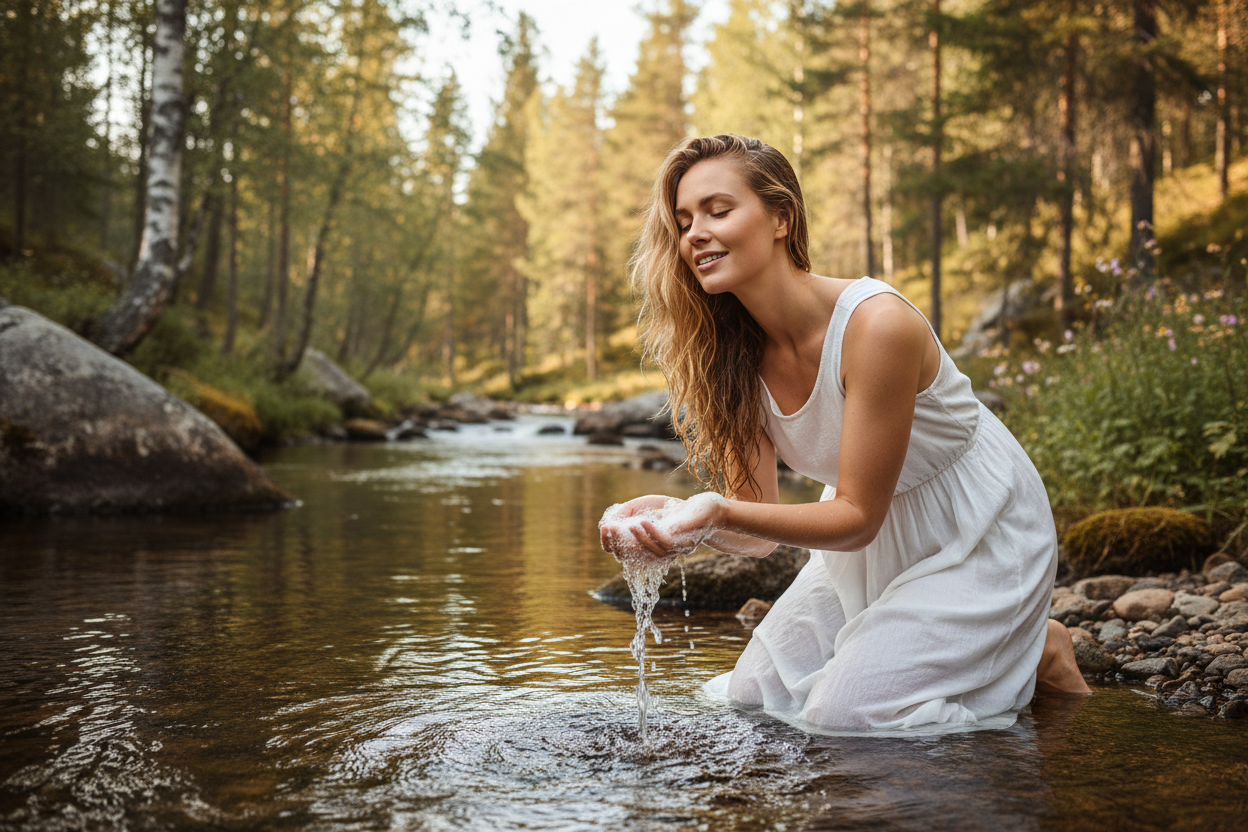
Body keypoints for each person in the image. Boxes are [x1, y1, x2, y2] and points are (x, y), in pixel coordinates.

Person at [599, 134, 1089, 734]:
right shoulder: (732, 358)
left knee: (848, 714)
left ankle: (1031, 646)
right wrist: (677, 522)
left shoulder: (876, 325)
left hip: (976, 525)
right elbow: (755, 533)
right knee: (752, 696)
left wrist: (716, 512)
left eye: (718, 210)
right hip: (864, 541)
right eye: (682, 221)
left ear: (781, 218)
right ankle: (1010, 649)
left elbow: (857, 515)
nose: (694, 233)